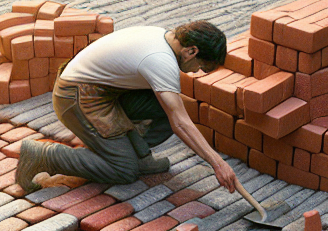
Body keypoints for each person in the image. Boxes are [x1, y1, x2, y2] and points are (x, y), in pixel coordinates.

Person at [16, 20, 238, 196]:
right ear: (191, 51)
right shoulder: (160, 59)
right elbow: (180, 123)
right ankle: (43, 155)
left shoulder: (163, 36)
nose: (194, 72)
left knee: (169, 105)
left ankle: (139, 157)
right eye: (200, 67)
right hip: (76, 97)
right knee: (123, 170)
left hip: (106, 91)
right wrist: (218, 164)